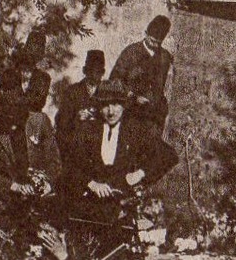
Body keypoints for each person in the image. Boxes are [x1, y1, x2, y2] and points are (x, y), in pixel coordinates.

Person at [64, 80, 175, 223]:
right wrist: (91, 183)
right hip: (89, 204)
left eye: (116, 104)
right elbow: (70, 164)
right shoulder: (88, 130)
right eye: (105, 105)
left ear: (124, 105)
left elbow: (169, 155)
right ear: (98, 106)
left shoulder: (134, 130)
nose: (111, 111)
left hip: (123, 205)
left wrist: (140, 174)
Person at [0, 72, 64, 226]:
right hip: (2, 203)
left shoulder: (40, 121)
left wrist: (47, 183)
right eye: (6, 109)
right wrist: (15, 186)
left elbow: (54, 161)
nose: (12, 115)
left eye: (17, 107)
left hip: (36, 202)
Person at [110, 15, 174, 131]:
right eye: (152, 41)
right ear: (145, 34)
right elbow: (115, 80)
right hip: (132, 114)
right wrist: (134, 97)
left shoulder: (165, 57)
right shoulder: (131, 53)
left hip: (153, 119)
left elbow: (167, 85)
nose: (155, 46)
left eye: (158, 43)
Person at [56, 50, 106, 160]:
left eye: (99, 72)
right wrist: (76, 116)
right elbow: (61, 122)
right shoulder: (72, 92)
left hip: (96, 156)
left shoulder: (107, 94)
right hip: (74, 155)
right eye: (92, 71)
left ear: (103, 73)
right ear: (85, 71)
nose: (95, 75)